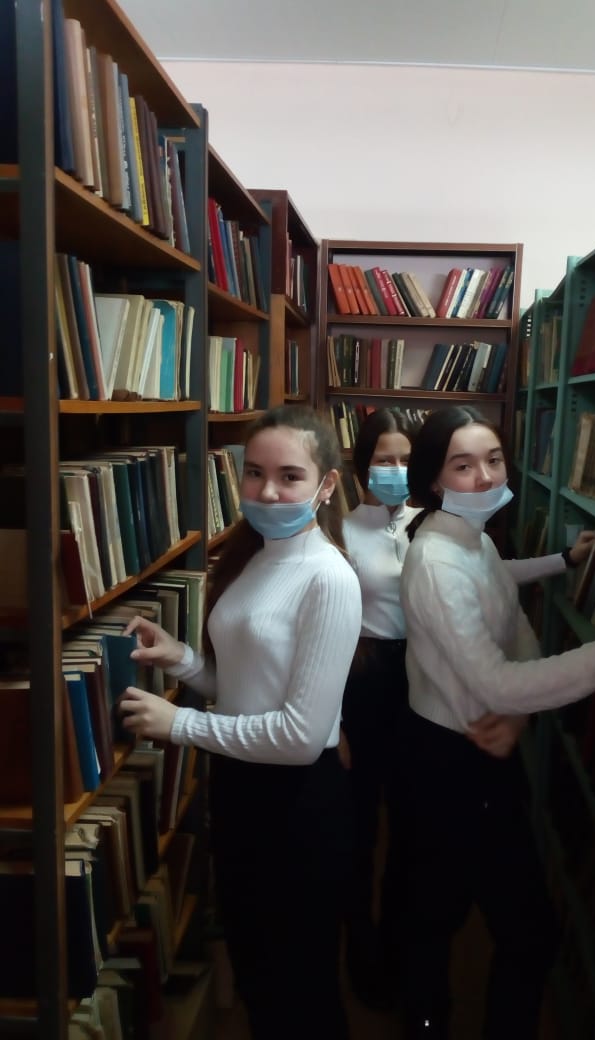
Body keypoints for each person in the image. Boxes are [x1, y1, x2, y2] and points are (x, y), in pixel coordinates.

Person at [117, 405, 362, 1040]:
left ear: (327, 485)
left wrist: (182, 725)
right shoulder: (253, 554)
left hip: (297, 804)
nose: (268, 492)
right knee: (259, 975)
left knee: (300, 990)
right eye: (254, 473)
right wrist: (183, 659)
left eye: (289, 476)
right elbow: (246, 688)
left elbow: (299, 737)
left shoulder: (330, 577)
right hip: (243, 788)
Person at [395, 405, 595, 1040]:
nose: (485, 476)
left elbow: (517, 634)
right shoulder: (437, 561)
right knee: (482, 927)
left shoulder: (475, 542)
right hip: (447, 761)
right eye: (463, 465)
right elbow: (498, 680)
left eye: (494, 460)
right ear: (435, 479)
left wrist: (518, 717)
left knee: (458, 919)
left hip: (479, 749)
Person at [339, 408, 420, 1005]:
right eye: (384, 459)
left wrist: (562, 561)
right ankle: (360, 949)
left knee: (412, 825)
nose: (396, 470)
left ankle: (399, 948)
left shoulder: (429, 524)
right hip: (362, 679)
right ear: (361, 466)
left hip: (419, 678)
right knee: (360, 825)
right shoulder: (339, 532)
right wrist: (334, 722)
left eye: (406, 460)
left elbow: (493, 575)